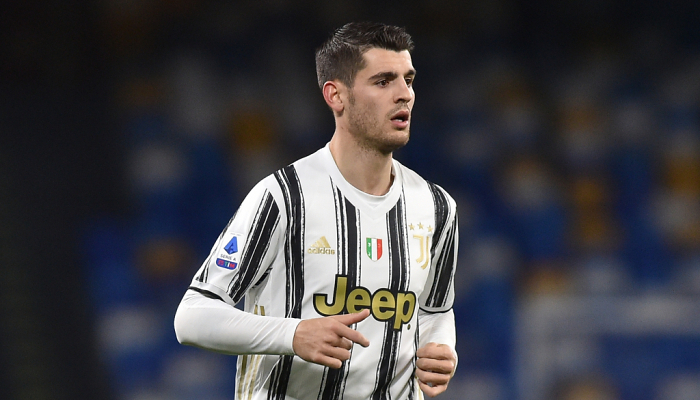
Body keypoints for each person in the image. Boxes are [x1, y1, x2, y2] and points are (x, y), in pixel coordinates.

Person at [174, 21, 459, 399]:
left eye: (408, 80)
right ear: (335, 96)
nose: (404, 94)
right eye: (383, 81)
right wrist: (292, 334)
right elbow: (192, 316)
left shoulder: (436, 206)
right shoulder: (284, 197)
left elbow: (436, 309)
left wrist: (441, 346)